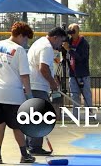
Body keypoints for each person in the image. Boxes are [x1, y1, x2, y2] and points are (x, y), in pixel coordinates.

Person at [0, 22, 35, 164]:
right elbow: (24, 76)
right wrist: (29, 95)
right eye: (26, 38)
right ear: (20, 35)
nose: (26, 42)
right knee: (17, 126)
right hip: (12, 94)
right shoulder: (19, 50)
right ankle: (24, 154)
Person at [26, 27, 67, 155]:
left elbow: (45, 67)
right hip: (38, 86)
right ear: (55, 37)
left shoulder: (39, 43)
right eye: (61, 41)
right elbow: (43, 68)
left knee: (33, 116)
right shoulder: (47, 47)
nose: (61, 45)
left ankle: (30, 144)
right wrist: (52, 83)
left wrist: (53, 78)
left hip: (32, 85)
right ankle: (35, 147)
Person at [62, 23, 92, 118]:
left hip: (83, 74)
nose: (72, 32)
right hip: (72, 74)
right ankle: (75, 117)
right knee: (74, 96)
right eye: (70, 30)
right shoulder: (68, 42)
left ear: (78, 31)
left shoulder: (83, 43)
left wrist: (69, 50)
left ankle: (89, 116)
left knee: (86, 96)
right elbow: (62, 51)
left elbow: (81, 58)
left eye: (74, 30)